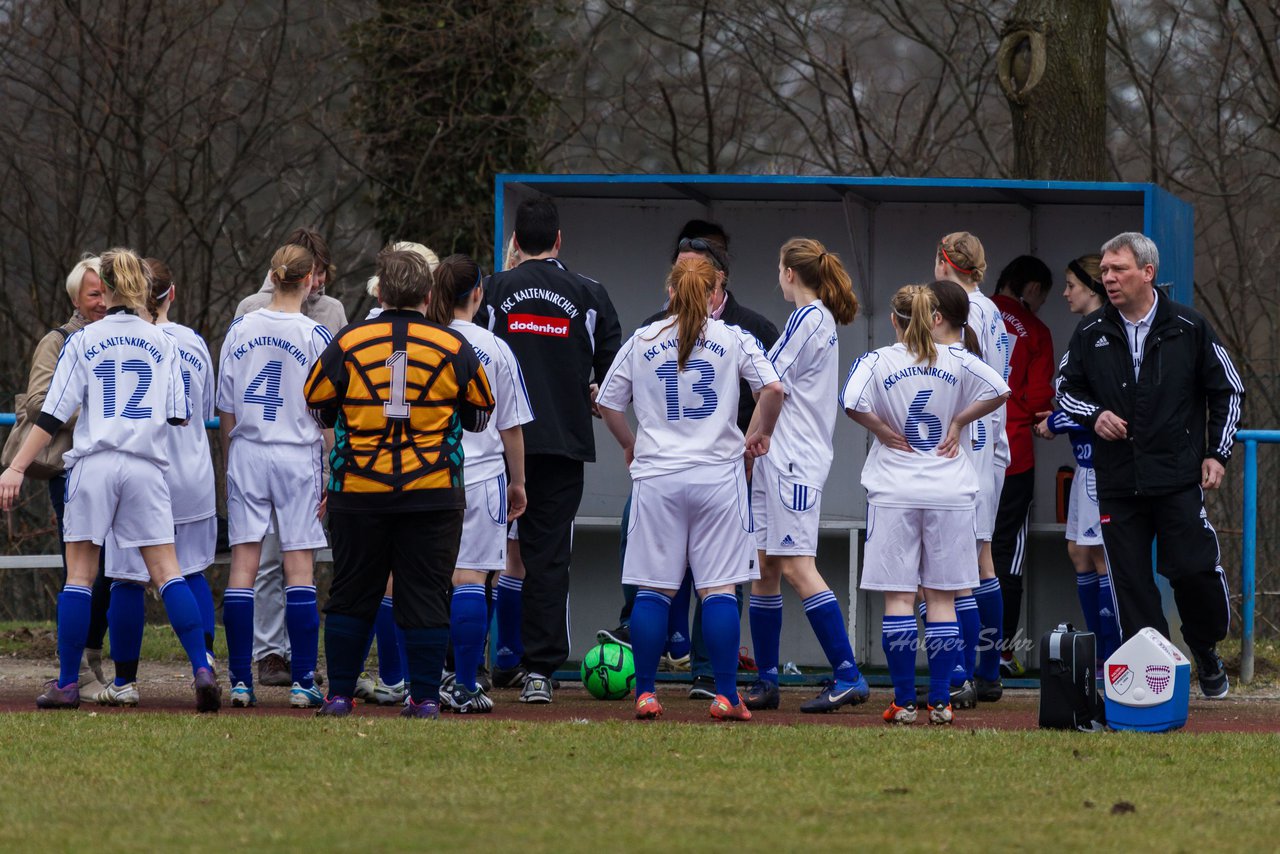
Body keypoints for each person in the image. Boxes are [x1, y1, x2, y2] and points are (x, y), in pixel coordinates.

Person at [0, 247, 220, 712]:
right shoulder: (165, 341)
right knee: (167, 572)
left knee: (80, 576)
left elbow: (51, 413)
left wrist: (16, 466)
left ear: (106, 283)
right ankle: (201, 666)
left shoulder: (83, 340)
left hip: (95, 464)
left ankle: (65, 684)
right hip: (145, 466)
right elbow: (180, 415)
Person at [305, 247, 495, 720]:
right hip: (433, 489)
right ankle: (426, 698)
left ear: (382, 292)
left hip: (359, 489)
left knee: (351, 591)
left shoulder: (348, 341)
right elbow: (480, 411)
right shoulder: (453, 344)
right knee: (428, 593)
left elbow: (316, 399)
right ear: (429, 294)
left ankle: (340, 697)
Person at [596, 219, 780, 701]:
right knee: (718, 590)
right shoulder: (733, 337)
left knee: (653, 591)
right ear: (713, 286)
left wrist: (628, 443)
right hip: (718, 477)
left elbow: (609, 402)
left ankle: (648, 693)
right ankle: (725, 695)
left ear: (671, 289)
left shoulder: (644, 338)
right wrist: (757, 436)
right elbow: (775, 388)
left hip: (658, 477)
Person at [1057, 232, 1243, 699]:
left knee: (1194, 571)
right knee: (1132, 587)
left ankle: (1204, 649)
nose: (1108, 278)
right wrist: (1094, 414)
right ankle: (1159, 681)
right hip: (1117, 484)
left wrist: (1216, 454)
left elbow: (1229, 391)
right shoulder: (1090, 331)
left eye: (1118, 269)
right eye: (1103, 271)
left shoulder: (1189, 326)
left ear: (1147, 272)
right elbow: (1063, 390)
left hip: (1178, 478)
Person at [841, 285, 1010, 725]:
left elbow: (850, 401)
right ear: (931, 317)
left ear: (895, 321)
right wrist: (958, 420)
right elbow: (1000, 388)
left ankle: (903, 701)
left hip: (894, 489)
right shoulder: (956, 358)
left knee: (898, 599)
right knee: (942, 600)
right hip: (949, 491)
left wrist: (880, 428)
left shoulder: (879, 360)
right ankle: (941, 700)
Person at [482, 196, 622, 704]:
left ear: (515, 243)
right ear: (559, 240)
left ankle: (468, 665)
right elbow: (612, 379)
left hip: (493, 445)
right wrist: (590, 392)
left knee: (478, 555)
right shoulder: (590, 294)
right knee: (547, 557)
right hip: (562, 443)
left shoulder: (493, 290)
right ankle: (539, 671)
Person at [744, 237, 869, 713]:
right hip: (778, 455)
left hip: (794, 458)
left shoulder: (810, 316)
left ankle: (848, 674)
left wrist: (751, 438)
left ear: (790, 272)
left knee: (797, 567)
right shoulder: (812, 318)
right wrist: (753, 443)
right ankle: (768, 680)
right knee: (764, 567)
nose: (778, 276)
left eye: (779, 268)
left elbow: (770, 382)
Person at [96, 258, 220, 705]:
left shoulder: (118, 341)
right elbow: (203, 410)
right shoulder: (192, 342)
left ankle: (126, 682)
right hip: (190, 472)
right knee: (190, 572)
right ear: (172, 293)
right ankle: (203, 664)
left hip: (141, 468)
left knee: (127, 577)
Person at [219, 244, 333, 709]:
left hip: (248, 449)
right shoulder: (315, 333)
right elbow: (328, 413)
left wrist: (232, 457)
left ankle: (241, 681)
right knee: (298, 566)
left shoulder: (240, 327)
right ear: (310, 282)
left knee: (243, 567)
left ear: (272, 275)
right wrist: (330, 467)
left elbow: (225, 406)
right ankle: (304, 681)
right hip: (295, 452)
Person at [421, 253, 533, 712]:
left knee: (423, 581)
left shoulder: (422, 341)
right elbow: (511, 425)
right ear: (478, 294)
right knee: (471, 579)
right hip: (483, 475)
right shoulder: (495, 347)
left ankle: (421, 681)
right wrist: (519, 482)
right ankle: (465, 683)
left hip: (424, 473)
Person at [7, 255, 113, 693]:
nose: (103, 302)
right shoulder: (58, 341)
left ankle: (93, 658)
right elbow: (37, 403)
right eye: (93, 294)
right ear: (75, 298)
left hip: (112, 466)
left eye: (107, 292)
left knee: (111, 570)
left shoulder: (125, 337)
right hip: (69, 468)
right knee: (81, 570)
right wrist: (95, 409)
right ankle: (79, 670)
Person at [352, 241, 440, 706]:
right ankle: (397, 677)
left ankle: (388, 677)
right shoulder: (434, 336)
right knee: (400, 582)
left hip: (369, 471)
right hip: (416, 470)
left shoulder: (359, 330)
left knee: (373, 581)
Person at [933, 232, 1012, 697]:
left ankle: (969, 672)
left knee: (966, 563)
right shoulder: (992, 307)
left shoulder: (963, 308)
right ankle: (986, 671)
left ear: (946, 262)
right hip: (989, 439)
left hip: (971, 442)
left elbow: (966, 376)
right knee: (980, 559)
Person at [1033, 254, 1121, 662]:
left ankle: (1110, 655)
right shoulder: (1086, 331)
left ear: (1092, 288)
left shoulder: (1105, 332)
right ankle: (1098, 650)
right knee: (1079, 552)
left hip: (1102, 467)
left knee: (1102, 557)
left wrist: (1058, 420)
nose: (1065, 292)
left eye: (1072, 284)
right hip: (1086, 464)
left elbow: (1100, 401)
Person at [924, 278, 991, 708]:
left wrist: (957, 422)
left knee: (944, 587)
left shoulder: (949, 359)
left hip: (942, 483)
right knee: (956, 584)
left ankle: (961, 674)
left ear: (935, 317)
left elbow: (1001, 393)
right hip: (960, 481)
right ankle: (963, 673)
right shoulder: (963, 358)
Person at [989, 255, 1055, 674]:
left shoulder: (964, 313)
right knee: (1005, 556)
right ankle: (1001, 651)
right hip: (1013, 454)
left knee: (961, 552)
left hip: (958, 454)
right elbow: (1037, 401)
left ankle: (957, 648)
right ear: (1031, 289)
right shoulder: (1036, 331)